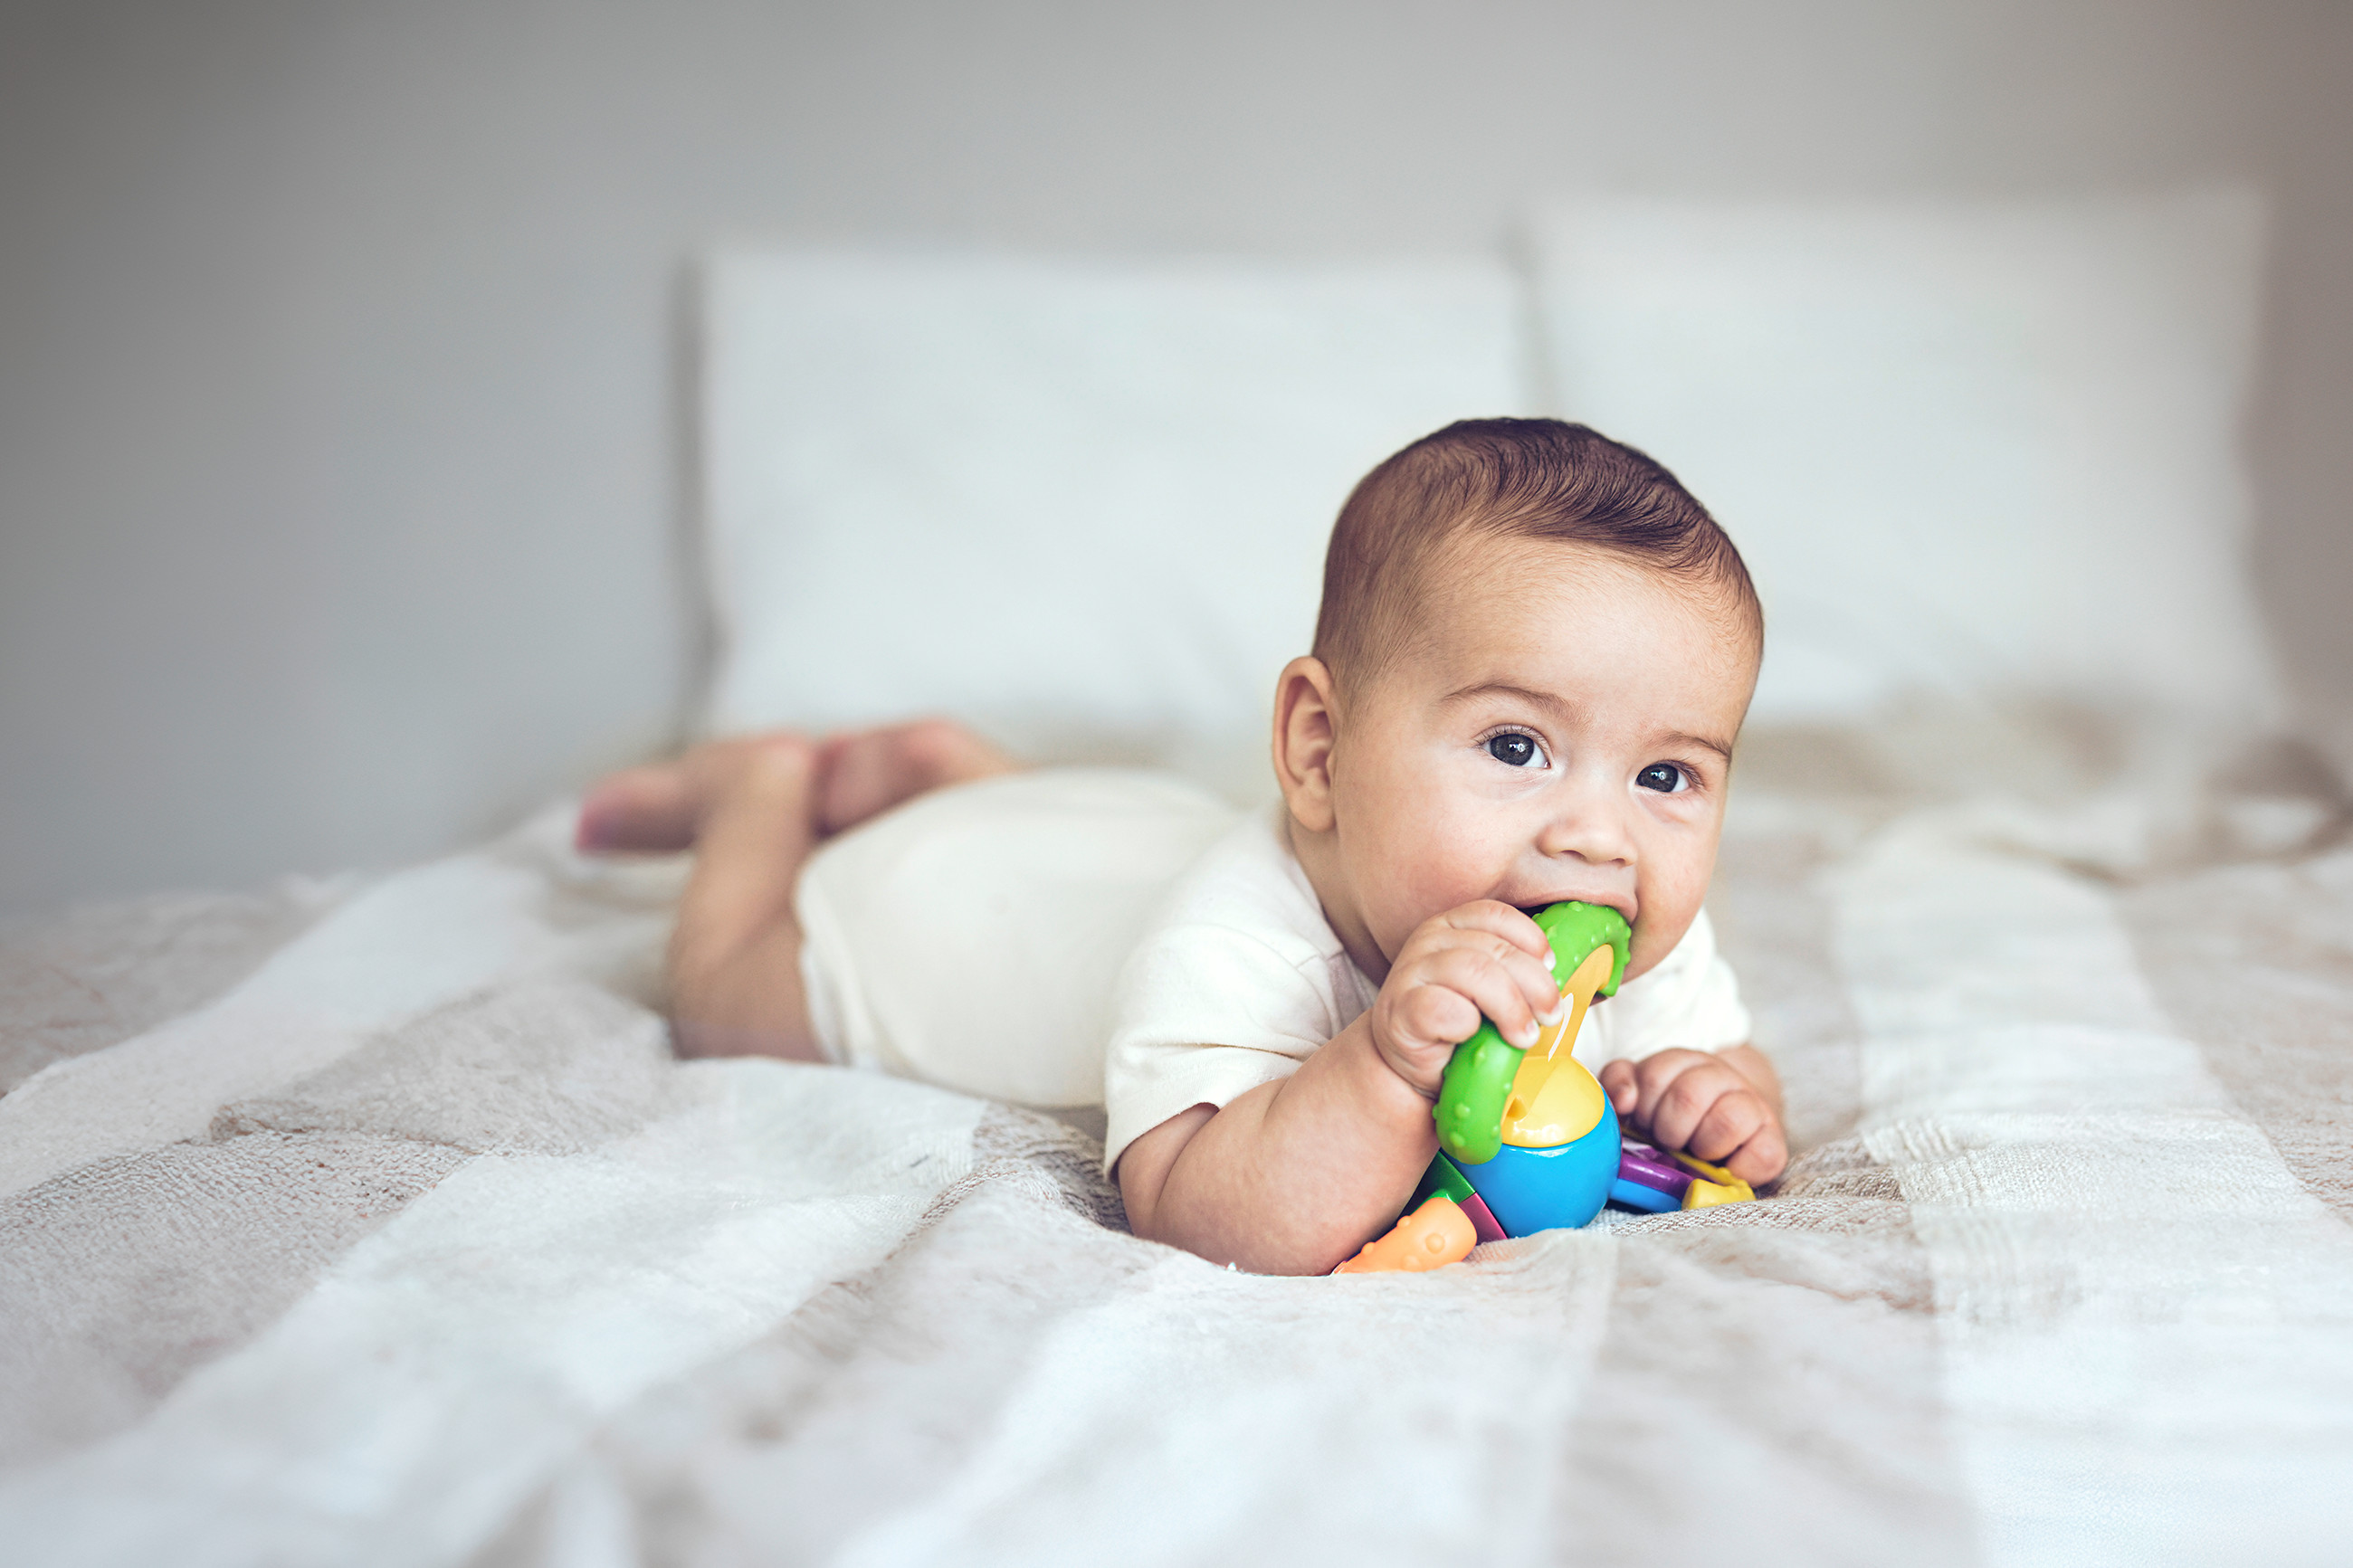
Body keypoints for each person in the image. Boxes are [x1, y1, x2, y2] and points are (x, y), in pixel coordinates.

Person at [578, 418, 1785, 1275]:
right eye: (1516, 748)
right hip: (930, 921)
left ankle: (954, 771)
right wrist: (1380, 1069)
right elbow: (1200, 1218)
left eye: (1666, 776)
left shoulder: (1617, 917)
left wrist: (1716, 1096)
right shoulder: (1229, 940)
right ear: (1318, 750)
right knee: (723, 1005)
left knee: (1094, 839)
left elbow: (1713, 1047)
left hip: (1101, 843)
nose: (1596, 838)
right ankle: (760, 792)